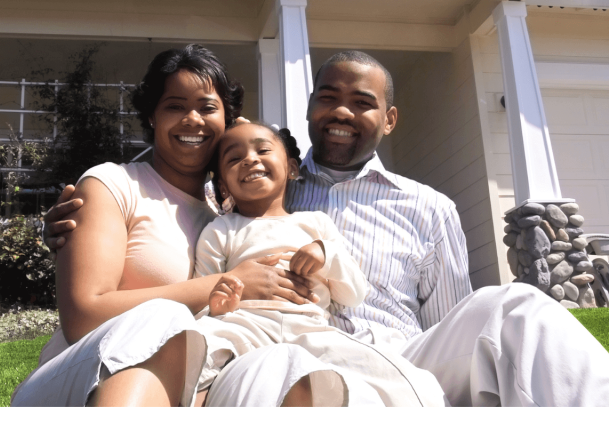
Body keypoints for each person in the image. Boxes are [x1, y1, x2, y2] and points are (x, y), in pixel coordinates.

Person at [45, 49, 609, 407]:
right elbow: (170, 238)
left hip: (405, 354)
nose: (340, 111)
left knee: (516, 308)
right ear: (306, 113)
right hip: (281, 350)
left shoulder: (430, 206)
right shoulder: (254, 192)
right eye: (327, 97)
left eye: (361, 102)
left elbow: (449, 321)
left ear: (388, 119)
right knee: (280, 374)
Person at [11, 44, 352, 407]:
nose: (192, 119)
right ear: (152, 117)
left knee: (282, 368)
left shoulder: (223, 226)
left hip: (177, 386)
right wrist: (225, 283)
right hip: (83, 379)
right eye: (175, 106)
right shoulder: (112, 185)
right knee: (164, 319)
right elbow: (83, 316)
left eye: (208, 108)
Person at [190, 122, 446, 406]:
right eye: (234, 158)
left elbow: (353, 294)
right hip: (244, 324)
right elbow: (203, 293)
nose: (250, 159)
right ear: (223, 185)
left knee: (398, 378)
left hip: (309, 328)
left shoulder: (315, 223)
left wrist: (326, 255)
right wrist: (217, 307)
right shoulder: (220, 230)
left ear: (291, 168)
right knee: (194, 353)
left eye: (262, 150)